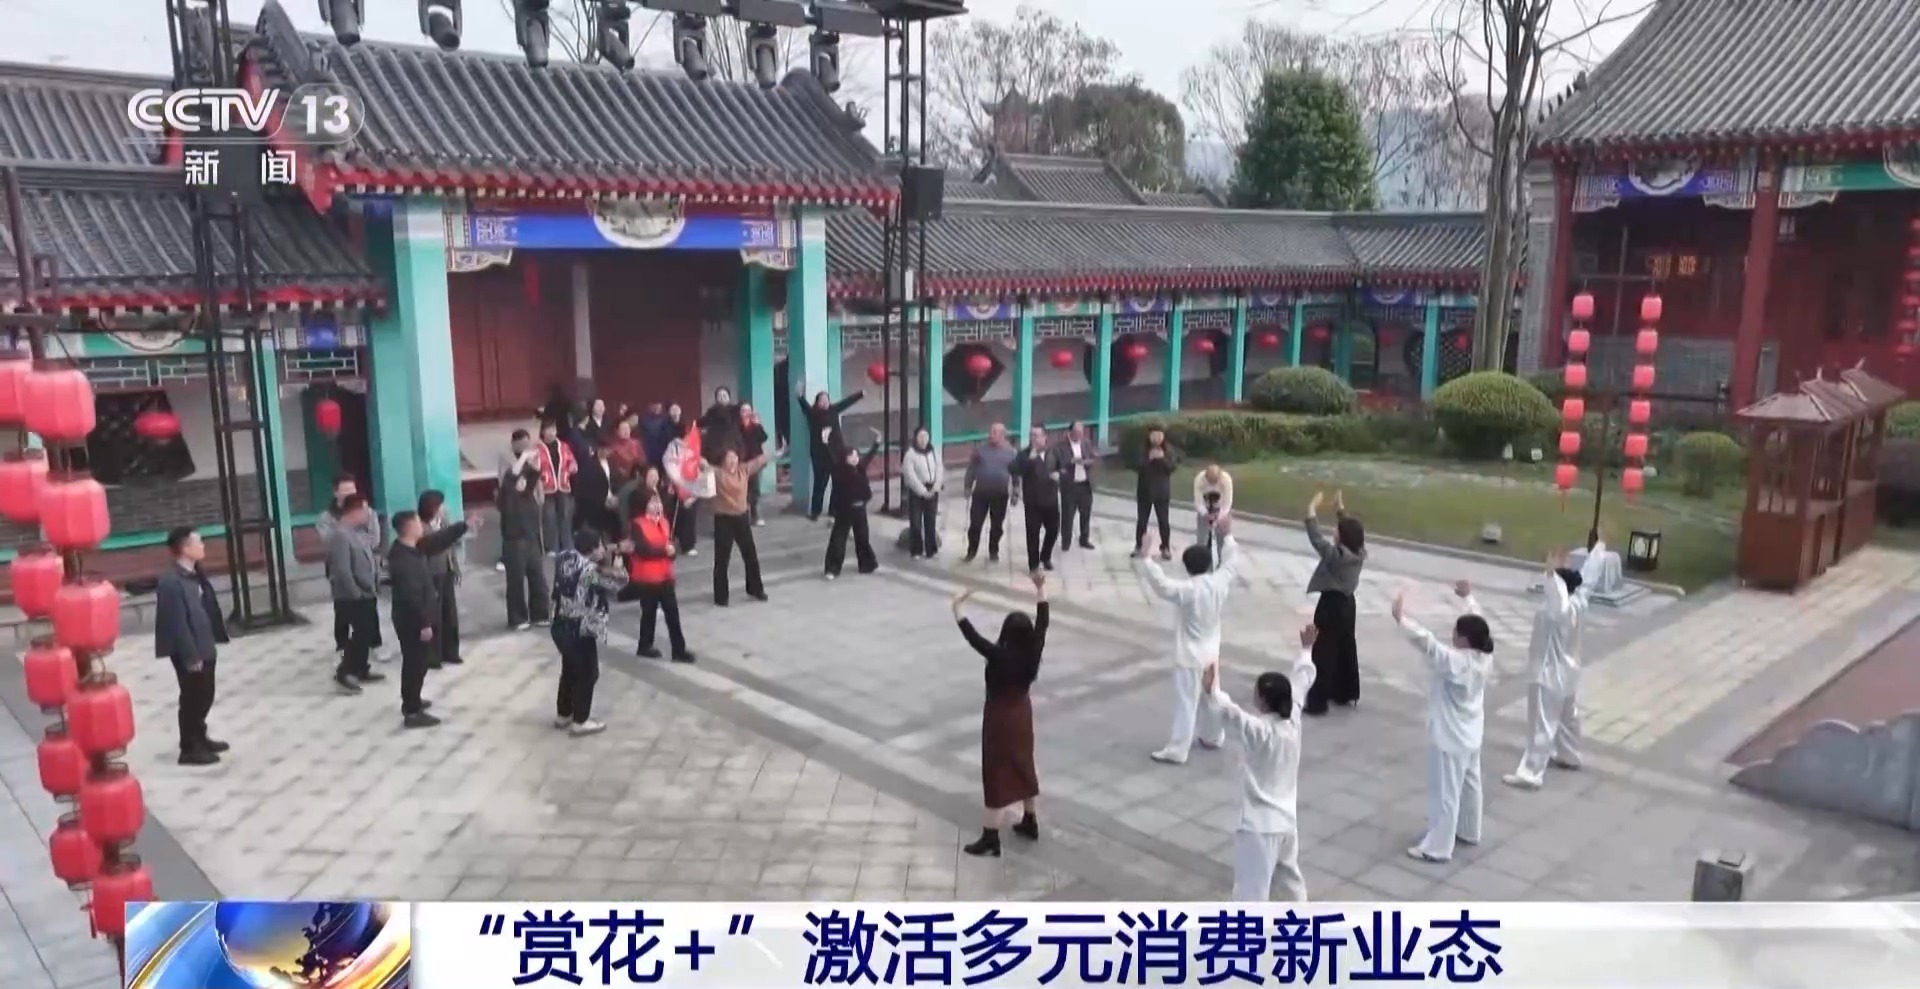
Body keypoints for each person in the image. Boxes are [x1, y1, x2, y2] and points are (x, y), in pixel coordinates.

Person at [1201, 623, 1318, 902]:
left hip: (1259, 827)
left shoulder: (1261, 732)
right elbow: (1302, 680)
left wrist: (1212, 691)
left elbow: (1232, 714)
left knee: (1251, 893)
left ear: (1263, 701)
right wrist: (1306, 650)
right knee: (1290, 884)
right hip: (1287, 822)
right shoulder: (1292, 720)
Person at [1394, 579, 1494, 863]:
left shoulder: (1456, 662)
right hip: (1471, 734)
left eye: (1456, 633)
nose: (1452, 637)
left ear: (1464, 639)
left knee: (1445, 794)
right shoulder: (1485, 657)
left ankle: (1438, 847)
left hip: (1449, 738)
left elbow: (1426, 643)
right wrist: (1469, 598)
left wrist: (1401, 618)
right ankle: (1469, 829)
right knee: (1470, 785)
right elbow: (1480, 620)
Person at [951, 571, 1049, 857]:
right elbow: (1043, 622)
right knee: (1023, 764)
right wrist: (1041, 589)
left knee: (996, 772)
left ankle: (990, 837)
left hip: (999, 718)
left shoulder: (998, 655)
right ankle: (1030, 820)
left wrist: (957, 606)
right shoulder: (1033, 651)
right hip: (1022, 714)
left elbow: (972, 636)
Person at [1135, 514, 1240, 765]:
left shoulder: (1188, 590)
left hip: (1190, 656)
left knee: (1186, 702)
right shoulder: (1219, 583)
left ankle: (1178, 749)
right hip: (1211, 652)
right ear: (1208, 564)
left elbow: (1162, 585)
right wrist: (1227, 535)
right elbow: (1231, 563)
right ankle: (1213, 736)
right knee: (1210, 694)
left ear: (1187, 567)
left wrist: (1146, 556)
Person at [1504, 541, 1606, 791]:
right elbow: (1588, 578)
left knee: (1542, 722)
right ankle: (1569, 754)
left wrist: (1551, 571)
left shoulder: (1557, 609)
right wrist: (1599, 548)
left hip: (1548, 674)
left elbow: (1557, 592)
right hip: (1568, 673)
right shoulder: (1579, 602)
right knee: (1567, 718)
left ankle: (1531, 772)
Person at [386, 509, 471, 728]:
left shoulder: (412, 548)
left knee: (418, 663)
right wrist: (424, 623)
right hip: (412, 621)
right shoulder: (403, 560)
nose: (421, 526)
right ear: (409, 527)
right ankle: (412, 711)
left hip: (417, 617)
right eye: (417, 522)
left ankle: (412, 699)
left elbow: (438, 541)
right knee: (415, 664)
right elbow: (411, 596)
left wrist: (463, 526)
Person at [152, 527, 230, 765]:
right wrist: (190, 655)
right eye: (199, 542)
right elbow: (177, 623)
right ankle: (189, 747)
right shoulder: (171, 582)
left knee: (206, 694)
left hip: (204, 641)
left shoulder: (195, 574)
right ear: (185, 548)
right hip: (189, 647)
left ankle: (200, 735)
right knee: (192, 696)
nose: (203, 546)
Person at [551, 529, 630, 737]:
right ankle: (581, 720)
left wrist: (612, 549)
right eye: (600, 546)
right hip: (580, 628)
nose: (603, 549)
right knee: (588, 673)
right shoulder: (590, 572)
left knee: (569, 669)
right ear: (592, 549)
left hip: (560, 625)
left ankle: (563, 714)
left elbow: (590, 557)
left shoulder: (565, 558)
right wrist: (618, 567)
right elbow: (619, 583)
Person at [1302, 490, 1367, 715]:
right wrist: (1340, 510)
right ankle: (1344, 691)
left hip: (1331, 606)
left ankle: (1317, 702)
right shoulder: (1359, 553)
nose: (1334, 533)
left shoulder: (1337, 556)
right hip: (1348, 605)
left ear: (1342, 537)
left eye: (1337, 531)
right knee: (1345, 647)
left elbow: (1316, 540)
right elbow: (1351, 530)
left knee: (1323, 651)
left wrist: (1311, 510)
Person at [315, 475, 384, 661]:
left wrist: (355, 537)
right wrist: (348, 525)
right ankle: (343, 647)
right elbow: (330, 541)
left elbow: (375, 539)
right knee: (343, 609)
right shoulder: (326, 517)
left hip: (365, 567)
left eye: (352, 490)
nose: (349, 494)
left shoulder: (367, 512)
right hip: (341, 569)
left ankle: (374, 644)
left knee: (370, 608)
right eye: (345, 491)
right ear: (335, 492)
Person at [324, 496, 385, 695]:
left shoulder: (357, 532)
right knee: (361, 633)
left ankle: (361, 668)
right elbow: (342, 569)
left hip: (366, 590)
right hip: (352, 594)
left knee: (367, 632)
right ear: (354, 511)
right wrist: (355, 592)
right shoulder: (340, 535)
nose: (368, 515)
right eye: (365, 511)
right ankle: (345, 672)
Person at [711, 443, 780, 605]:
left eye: (734, 457)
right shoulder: (717, 473)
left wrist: (774, 453)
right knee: (722, 559)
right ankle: (721, 597)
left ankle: (756, 589)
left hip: (741, 518)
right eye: (729, 458)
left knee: (750, 555)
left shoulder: (743, 469)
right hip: (723, 519)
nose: (732, 460)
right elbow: (703, 465)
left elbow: (758, 461)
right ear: (723, 461)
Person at [629, 494, 694, 663]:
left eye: (658, 502)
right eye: (653, 502)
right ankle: (645, 645)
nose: (657, 505)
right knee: (648, 614)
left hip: (665, 575)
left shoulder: (664, 522)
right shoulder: (638, 524)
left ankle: (678, 650)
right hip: (648, 578)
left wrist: (672, 551)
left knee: (673, 614)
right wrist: (663, 551)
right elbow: (643, 550)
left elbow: (669, 545)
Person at [497, 430, 552, 631]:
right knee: (516, 581)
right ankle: (517, 617)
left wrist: (533, 461)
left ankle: (540, 614)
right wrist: (523, 459)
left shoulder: (527, 493)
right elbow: (511, 476)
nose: (522, 484)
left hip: (531, 537)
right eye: (519, 482)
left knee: (538, 578)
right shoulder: (507, 493)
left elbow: (533, 475)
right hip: (514, 540)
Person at [796, 385, 865, 521]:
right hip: (820, 455)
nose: (824, 402)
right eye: (821, 400)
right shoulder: (812, 414)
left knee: (837, 483)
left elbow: (847, 402)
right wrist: (799, 396)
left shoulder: (834, 410)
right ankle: (815, 512)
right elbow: (804, 405)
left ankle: (833, 511)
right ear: (817, 402)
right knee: (819, 484)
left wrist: (860, 394)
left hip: (836, 453)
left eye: (826, 399)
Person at [417, 491, 467, 669]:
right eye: (439, 506)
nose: (442, 509)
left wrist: (455, 567)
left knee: (450, 614)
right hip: (431, 573)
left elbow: (450, 546)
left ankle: (451, 652)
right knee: (434, 616)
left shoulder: (443, 522)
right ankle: (433, 656)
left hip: (446, 570)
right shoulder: (420, 526)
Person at [824, 429, 882, 579]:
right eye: (852, 456)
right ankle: (832, 569)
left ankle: (867, 564)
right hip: (844, 510)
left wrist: (877, 442)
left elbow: (869, 457)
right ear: (845, 458)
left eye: (856, 455)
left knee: (862, 538)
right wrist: (825, 442)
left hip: (860, 508)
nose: (855, 458)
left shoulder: (860, 468)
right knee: (838, 540)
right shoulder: (839, 471)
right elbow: (830, 458)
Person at [962, 424, 1017, 563]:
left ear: (1002, 435)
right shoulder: (980, 450)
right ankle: (971, 551)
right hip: (980, 494)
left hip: (1000, 494)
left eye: (995, 432)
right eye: (991, 431)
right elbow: (971, 469)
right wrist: (967, 486)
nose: (991, 434)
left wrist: (1016, 491)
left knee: (997, 526)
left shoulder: (1011, 452)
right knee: (975, 524)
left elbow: (1016, 474)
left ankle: (993, 551)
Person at [1013, 425, 1063, 573]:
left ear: (1045, 437)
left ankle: (1045, 557)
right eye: (1031, 435)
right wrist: (1031, 460)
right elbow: (1016, 470)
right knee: (1032, 534)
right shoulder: (1024, 454)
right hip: (1032, 501)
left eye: (1036, 435)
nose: (1033, 438)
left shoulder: (1054, 452)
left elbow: (1064, 468)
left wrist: (1060, 474)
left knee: (1053, 531)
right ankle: (1033, 565)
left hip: (1051, 499)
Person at [662, 421, 710, 556]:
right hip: (676, 484)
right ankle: (671, 539)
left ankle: (688, 544)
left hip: (692, 484)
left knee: (690, 513)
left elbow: (698, 461)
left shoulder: (695, 445)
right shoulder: (674, 446)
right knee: (675, 513)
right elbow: (668, 463)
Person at [534, 418, 577, 556]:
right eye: (548, 429)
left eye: (553, 429)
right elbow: (534, 468)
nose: (552, 432)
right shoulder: (537, 449)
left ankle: (567, 545)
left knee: (565, 516)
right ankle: (552, 547)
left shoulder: (563, 446)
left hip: (563, 486)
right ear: (543, 431)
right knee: (549, 517)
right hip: (547, 487)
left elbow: (572, 461)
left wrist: (571, 467)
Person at [1134, 427, 1177, 559]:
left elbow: (1172, 468)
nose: (1157, 438)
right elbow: (1137, 466)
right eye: (1154, 435)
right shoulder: (1143, 450)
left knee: (1163, 521)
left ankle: (1165, 547)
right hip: (1145, 490)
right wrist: (1149, 459)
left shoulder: (1168, 450)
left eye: (1159, 435)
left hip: (1161, 492)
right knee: (1142, 521)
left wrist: (1162, 458)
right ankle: (1139, 546)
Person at [902, 425, 944, 559]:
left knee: (930, 521)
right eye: (920, 436)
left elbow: (939, 469)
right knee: (916, 522)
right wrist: (922, 491)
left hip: (933, 489)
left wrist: (936, 486)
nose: (923, 439)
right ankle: (916, 550)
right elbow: (910, 475)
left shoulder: (934, 451)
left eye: (925, 436)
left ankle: (931, 550)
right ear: (915, 438)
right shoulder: (910, 454)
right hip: (917, 491)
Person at [1057, 420, 1097, 552]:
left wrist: (1086, 461)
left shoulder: (1086, 443)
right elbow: (1059, 462)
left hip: (1085, 484)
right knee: (1068, 515)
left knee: (1085, 513)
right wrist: (1071, 461)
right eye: (1076, 432)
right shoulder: (1061, 445)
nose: (1079, 435)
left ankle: (1084, 539)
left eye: (1081, 432)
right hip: (1070, 485)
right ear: (1070, 432)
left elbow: (1093, 458)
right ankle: (1066, 541)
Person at [572, 441, 620, 541]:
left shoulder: (613, 462)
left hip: (612, 499)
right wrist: (603, 501)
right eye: (605, 449)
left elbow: (616, 481)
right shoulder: (589, 465)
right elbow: (587, 489)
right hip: (596, 503)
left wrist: (615, 496)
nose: (608, 452)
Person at [738, 402, 771, 526]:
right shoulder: (737, 426)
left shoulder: (755, 425)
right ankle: (744, 515)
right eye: (743, 410)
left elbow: (764, 438)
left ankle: (754, 515)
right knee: (743, 489)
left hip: (756, 460)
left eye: (748, 410)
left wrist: (758, 425)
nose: (746, 413)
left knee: (755, 488)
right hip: (742, 462)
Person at [1194, 463, 1234, 558]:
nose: (1213, 485)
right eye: (1210, 482)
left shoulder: (1226, 480)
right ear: (1206, 477)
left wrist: (1219, 517)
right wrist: (1205, 514)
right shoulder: (1199, 479)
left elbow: (1227, 503)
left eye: (1215, 482)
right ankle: (1202, 558)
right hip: (1205, 508)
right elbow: (1198, 502)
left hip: (1221, 509)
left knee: (1223, 537)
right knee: (1202, 538)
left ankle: (1221, 558)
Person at [700, 386, 743, 464]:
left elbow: (728, 420)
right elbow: (701, 422)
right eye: (719, 396)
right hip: (715, 449)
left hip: (732, 448)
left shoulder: (735, 411)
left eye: (724, 395)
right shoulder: (711, 412)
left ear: (729, 398)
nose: (722, 398)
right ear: (716, 399)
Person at [601, 417, 645, 489]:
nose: (626, 431)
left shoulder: (636, 443)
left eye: (628, 428)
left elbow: (643, 461)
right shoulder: (612, 447)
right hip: (620, 482)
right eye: (623, 429)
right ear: (617, 431)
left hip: (637, 478)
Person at [639, 402, 675, 472]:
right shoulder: (644, 420)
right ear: (650, 407)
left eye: (658, 405)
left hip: (663, 452)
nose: (657, 408)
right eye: (655, 405)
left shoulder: (665, 420)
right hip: (649, 452)